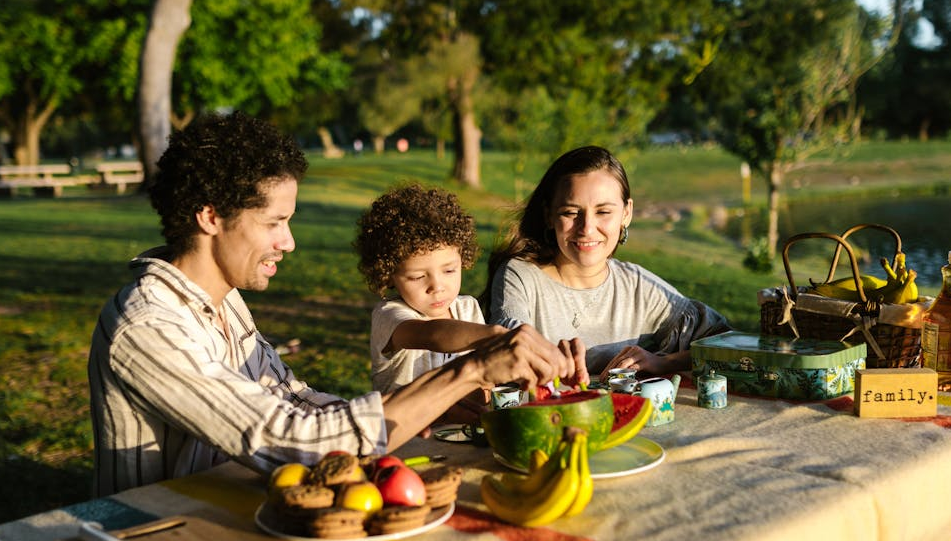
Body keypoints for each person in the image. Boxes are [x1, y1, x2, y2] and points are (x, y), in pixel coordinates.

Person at [88, 112, 577, 496]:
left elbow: (290, 397)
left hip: (229, 505)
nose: (289, 242)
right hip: (159, 540)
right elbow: (290, 440)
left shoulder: (222, 300)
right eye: (274, 222)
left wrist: (419, 409)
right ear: (211, 217)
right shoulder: (146, 326)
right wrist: (467, 372)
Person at [482, 145, 730, 380]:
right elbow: (508, 345)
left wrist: (662, 362)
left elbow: (727, 345)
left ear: (626, 213)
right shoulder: (521, 277)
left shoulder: (637, 287)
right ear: (548, 215)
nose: (587, 228)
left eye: (603, 212)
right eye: (571, 212)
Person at [354, 183, 507, 425]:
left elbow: (484, 386)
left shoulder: (468, 310)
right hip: (405, 441)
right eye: (417, 277)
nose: (437, 286)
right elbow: (432, 334)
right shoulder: (390, 316)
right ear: (388, 274)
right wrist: (497, 337)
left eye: (449, 270)